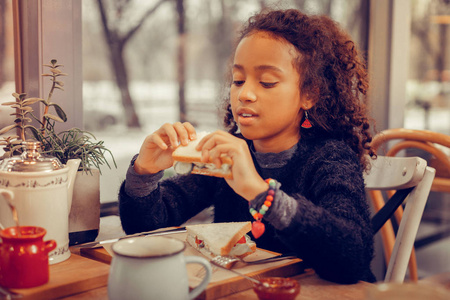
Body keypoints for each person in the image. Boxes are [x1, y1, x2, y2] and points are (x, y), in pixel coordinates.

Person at [119, 8, 376, 284]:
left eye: (266, 82)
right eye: (238, 80)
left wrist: (260, 193)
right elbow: (145, 228)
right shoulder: (229, 153)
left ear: (309, 93)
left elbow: (352, 256)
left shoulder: (330, 158)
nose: (244, 94)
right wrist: (144, 174)